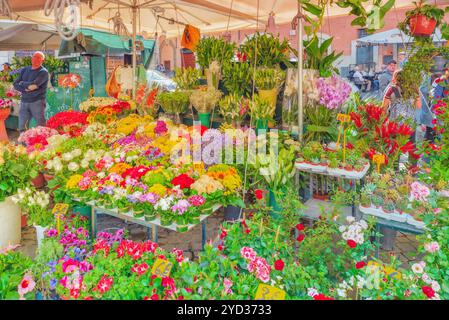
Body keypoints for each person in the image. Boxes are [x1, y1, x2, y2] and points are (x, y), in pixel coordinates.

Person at [13, 52, 49, 132]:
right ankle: (24, 144)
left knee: (41, 126)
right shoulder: (25, 69)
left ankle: (40, 143)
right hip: (24, 102)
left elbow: (33, 86)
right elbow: (15, 83)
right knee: (22, 126)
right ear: (31, 58)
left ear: (42, 60)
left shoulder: (43, 72)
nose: (35, 59)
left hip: (37, 102)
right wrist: (25, 88)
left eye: (38, 58)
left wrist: (22, 83)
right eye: (34, 57)